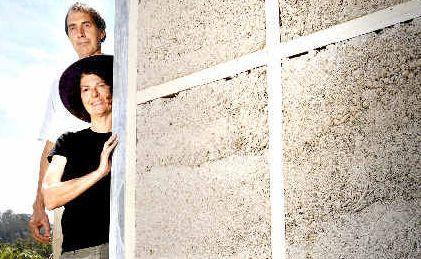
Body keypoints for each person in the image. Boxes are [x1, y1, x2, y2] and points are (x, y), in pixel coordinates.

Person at [29, 2, 108, 247]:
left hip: (113, 196)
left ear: (101, 32)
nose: (80, 33)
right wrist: (39, 204)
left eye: (86, 25)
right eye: (72, 28)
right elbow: (51, 145)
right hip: (70, 204)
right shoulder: (61, 84)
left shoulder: (120, 70)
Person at [43, 55, 117, 258]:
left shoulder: (129, 138)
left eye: (100, 85)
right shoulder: (68, 141)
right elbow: (50, 197)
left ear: (112, 88)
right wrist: (100, 172)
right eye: (85, 89)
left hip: (126, 246)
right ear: (81, 97)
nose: (94, 94)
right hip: (80, 251)